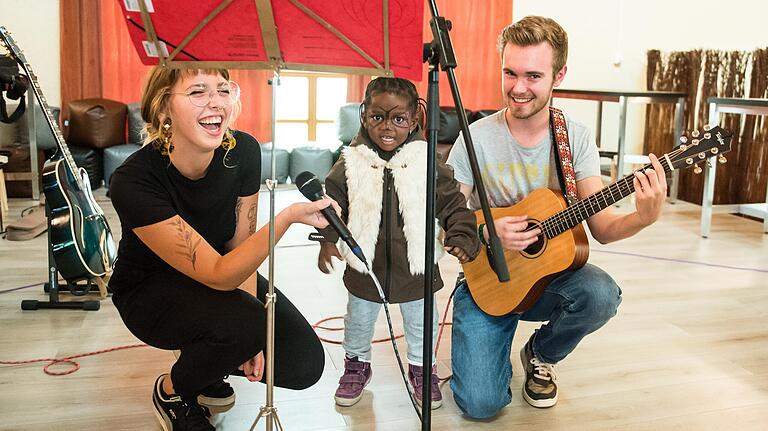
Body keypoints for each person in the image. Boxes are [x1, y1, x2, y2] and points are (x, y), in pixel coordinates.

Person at [446, 16, 668, 418]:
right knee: (481, 406)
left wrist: (642, 217)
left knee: (601, 293)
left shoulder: (575, 138)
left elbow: (600, 228)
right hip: (487, 281)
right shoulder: (473, 137)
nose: (518, 88)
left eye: (533, 76)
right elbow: (443, 220)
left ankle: (539, 353)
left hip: (546, 280)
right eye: (510, 73)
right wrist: (485, 229)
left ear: (559, 74)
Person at [109, 66, 336, 431]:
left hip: (219, 273)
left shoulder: (243, 150)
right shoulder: (133, 181)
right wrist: (288, 216)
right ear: (163, 107)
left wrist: (249, 338)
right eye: (198, 92)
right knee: (245, 323)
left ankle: (212, 357)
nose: (216, 103)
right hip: (149, 292)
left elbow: (238, 248)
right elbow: (217, 275)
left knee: (304, 363)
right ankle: (173, 391)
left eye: (223, 89)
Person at [316, 77, 481, 410]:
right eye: (378, 117)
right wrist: (328, 240)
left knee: (422, 323)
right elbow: (332, 203)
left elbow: (452, 204)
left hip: (416, 267)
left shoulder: (428, 161)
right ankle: (356, 366)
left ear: (414, 119)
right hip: (366, 265)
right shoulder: (350, 160)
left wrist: (462, 235)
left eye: (398, 119)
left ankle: (422, 369)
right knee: (359, 321)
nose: (387, 127)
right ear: (364, 115)